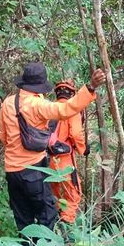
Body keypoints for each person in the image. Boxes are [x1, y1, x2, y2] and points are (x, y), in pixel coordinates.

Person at [0, 62, 106, 234]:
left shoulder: (8, 103)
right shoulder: (37, 105)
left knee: (22, 215)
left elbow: (3, 136)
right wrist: (91, 86)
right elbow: (66, 109)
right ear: (40, 86)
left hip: (12, 170)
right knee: (47, 213)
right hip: (33, 169)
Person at [49, 79, 89, 224]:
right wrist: (83, 149)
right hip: (65, 160)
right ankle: (66, 227)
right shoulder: (72, 109)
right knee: (72, 194)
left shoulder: (48, 108)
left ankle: (52, 225)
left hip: (46, 159)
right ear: (72, 94)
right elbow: (76, 134)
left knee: (52, 193)